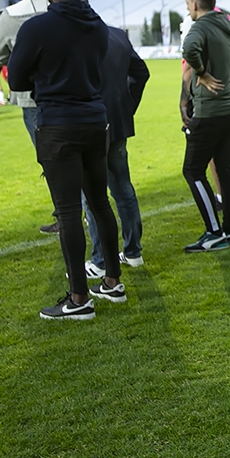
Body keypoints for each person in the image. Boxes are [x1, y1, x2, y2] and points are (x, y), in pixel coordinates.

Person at [7, 0, 125, 320]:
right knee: (100, 202)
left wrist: (44, 81)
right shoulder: (98, 24)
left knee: (71, 212)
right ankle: (112, 281)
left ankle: (78, 299)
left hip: (58, 124)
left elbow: (15, 79)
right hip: (95, 120)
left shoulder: (38, 27)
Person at [180, 0, 230, 253]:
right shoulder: (225, 23)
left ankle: (214, 233)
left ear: (196, 4)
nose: (188, 7)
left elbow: (189, 50)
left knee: (192, 170)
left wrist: (201, 72)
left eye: (188, 2)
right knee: (225, 167)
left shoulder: (199, 27)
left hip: (211, 110)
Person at [0, 0, 56, 233]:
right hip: (72, 92)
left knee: (49, 158)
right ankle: (84, 209)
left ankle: (66, 212)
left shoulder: (12, 14)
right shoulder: (63, 8)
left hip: (32, 98)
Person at [83, 19, 150, 277]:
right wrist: (127, 105)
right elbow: (141, 73)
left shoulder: (78, 36)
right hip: (118, 122)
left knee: (91, 194)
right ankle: (133, 252)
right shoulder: (117, 35)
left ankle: (100, 260)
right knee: (123, 188)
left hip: (90, 123)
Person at [179, 0, 230, 206]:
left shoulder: (195, 23)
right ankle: (228, 206)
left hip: (208, 99)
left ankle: (219, 203)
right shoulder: (223, 17)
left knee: (196, 166)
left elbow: (188, 59)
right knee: (225, 160)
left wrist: (199, 77)